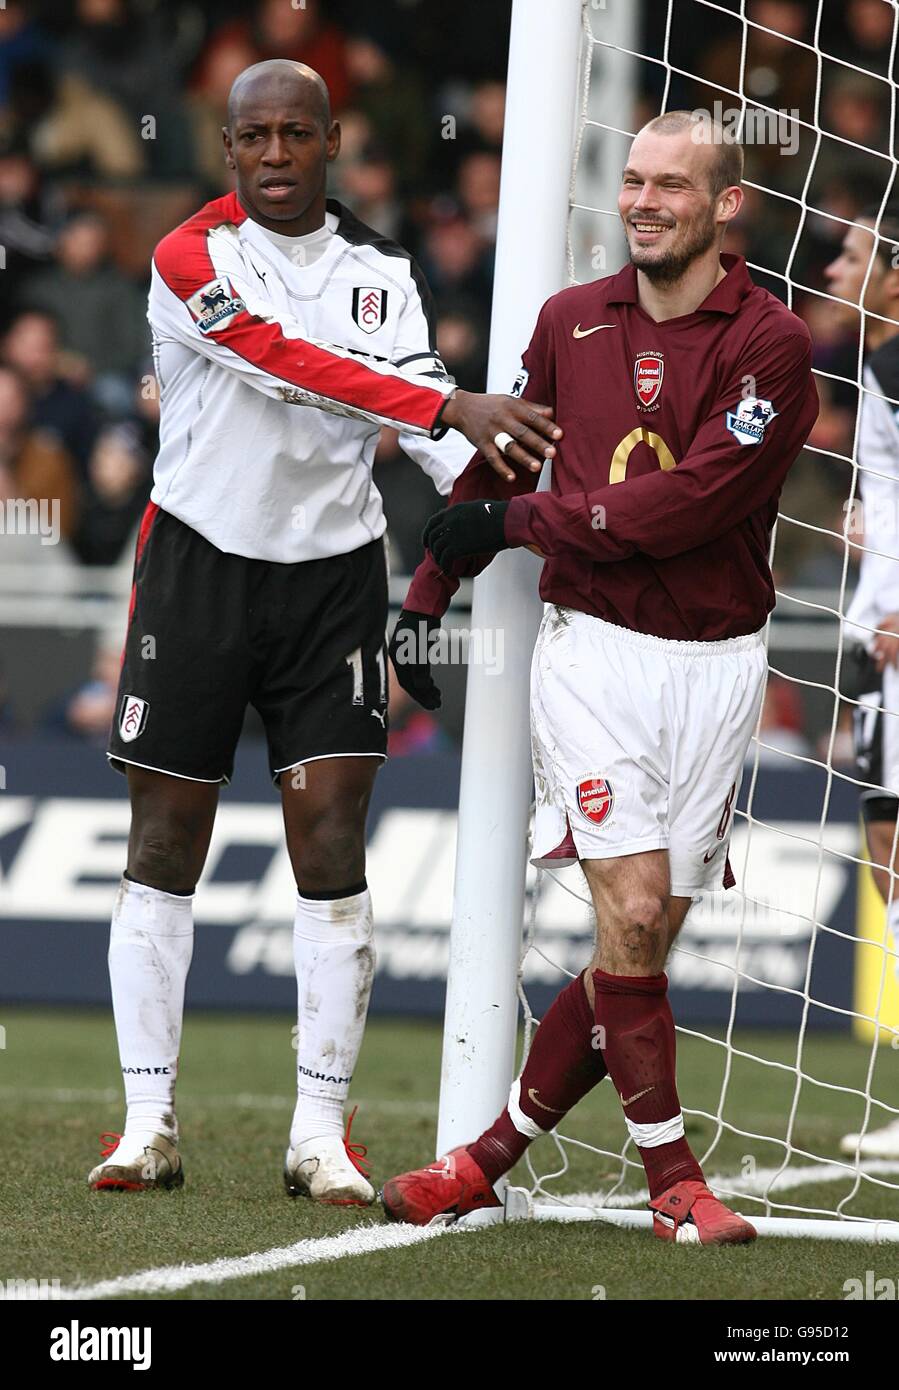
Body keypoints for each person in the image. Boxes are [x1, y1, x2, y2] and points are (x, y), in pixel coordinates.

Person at [88, 59, 561, 1202]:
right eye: (255, 136)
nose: (276, 155)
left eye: (298, 134)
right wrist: (446, 408)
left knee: (333, 847)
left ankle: (319, 1136)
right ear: (227, 146)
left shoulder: (380, 271)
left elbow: (422, 414)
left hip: (332, 583)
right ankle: (146, 1121)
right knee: (162, 842)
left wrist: (526, 489)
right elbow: (287, 368)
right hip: (197, 568)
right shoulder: (186, 257)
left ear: (331, 139)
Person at [384, 110, 819, 1245]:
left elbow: (690, 506)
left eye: (669, 185)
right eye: (631, 180)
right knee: (626, 909)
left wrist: (515, 522)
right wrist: (426, 591)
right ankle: (672, 1178)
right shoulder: (569, 320)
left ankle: (485, 1159)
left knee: (636, 946)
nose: (640, 201)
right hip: (593, 655)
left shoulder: (770, 345)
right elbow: (507, 454)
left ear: (724, 205)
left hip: (718, 667)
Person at [825, 208, 899, 1159]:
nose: (835, 266)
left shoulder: (892, 365)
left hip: (892, 637)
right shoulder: (875, 367)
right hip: (875, 626)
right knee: (886, 839)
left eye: (850, 255)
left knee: (890, 842)